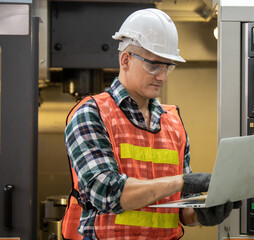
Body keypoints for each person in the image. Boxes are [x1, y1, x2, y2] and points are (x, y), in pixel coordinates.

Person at [62, 8, 239, 240]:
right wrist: (182, 181)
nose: (163, 77)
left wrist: (202, 214)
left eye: (167, 66)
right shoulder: (92, 114)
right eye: (154, 65)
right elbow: (106, 193)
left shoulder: (173, 122)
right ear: (125, 60)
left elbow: (181, 209)